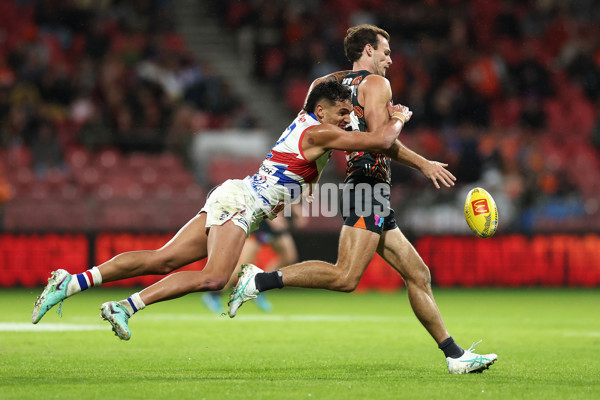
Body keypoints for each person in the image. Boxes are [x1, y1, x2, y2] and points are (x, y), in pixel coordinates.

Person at [31, 80, 412, 340]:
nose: (348, 117)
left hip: (236, 194)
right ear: (322, 110)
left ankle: (72, 282)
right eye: (342, 111)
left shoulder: (307, 118)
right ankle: (125, 307)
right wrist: (398, 117)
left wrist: (348, 79)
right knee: (215, 278)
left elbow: (320, 86)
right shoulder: (319, 132)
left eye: (350, 111)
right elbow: (379, 140)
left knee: (164, 259)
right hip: (241, 203)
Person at [228, 24, 498, 374]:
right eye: (385, 52)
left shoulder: (325, 85)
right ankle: (258, 280)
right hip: (368, 185)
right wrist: (408, 134)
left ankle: (454, 355)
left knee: (418, 273)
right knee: (345, 276)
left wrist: (309, 180)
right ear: (367, 50)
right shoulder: (377, 85)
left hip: (363, 185)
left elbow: (314, 132)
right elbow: (383, 140)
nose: (389, 59)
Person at [201, 210, 303, 313]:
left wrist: (297, 210)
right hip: (260, 219)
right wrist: (271, 218)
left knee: (289, 256)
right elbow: (262, 197)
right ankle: (214, 295)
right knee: (243, 265)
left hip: (274, 218)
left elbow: (287, 196)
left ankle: (258, 286)